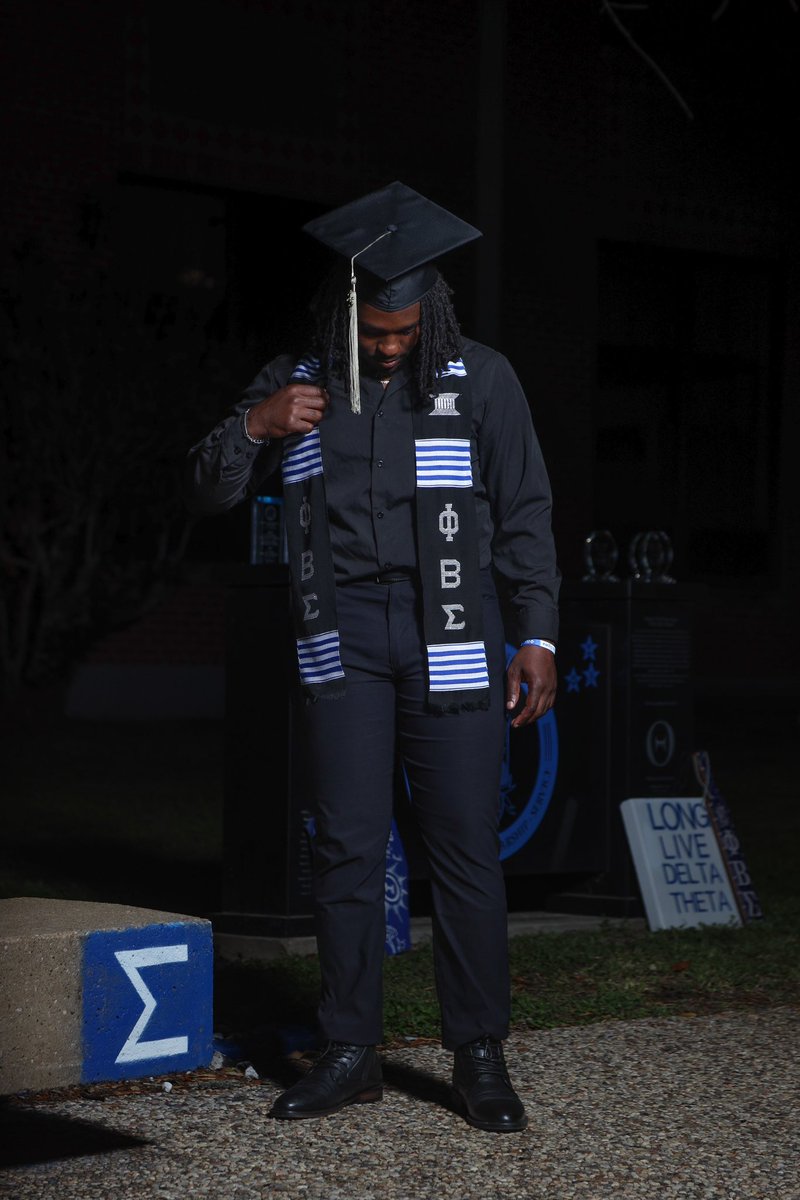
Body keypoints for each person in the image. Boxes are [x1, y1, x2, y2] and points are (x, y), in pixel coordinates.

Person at [186, 182, 559, 1133]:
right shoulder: (299, 380)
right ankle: (350, 1047)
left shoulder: (484, 380)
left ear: (430, 311)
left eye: (403, 331)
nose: (388, 346)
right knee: (346, 848)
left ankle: (477, 1050)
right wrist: (258, 427)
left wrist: (538, 634)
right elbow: (208, 490)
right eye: (374, 330)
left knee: (465, 847)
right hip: (340, 634)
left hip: (457, 635)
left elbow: (524, 515)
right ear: (343, 311)